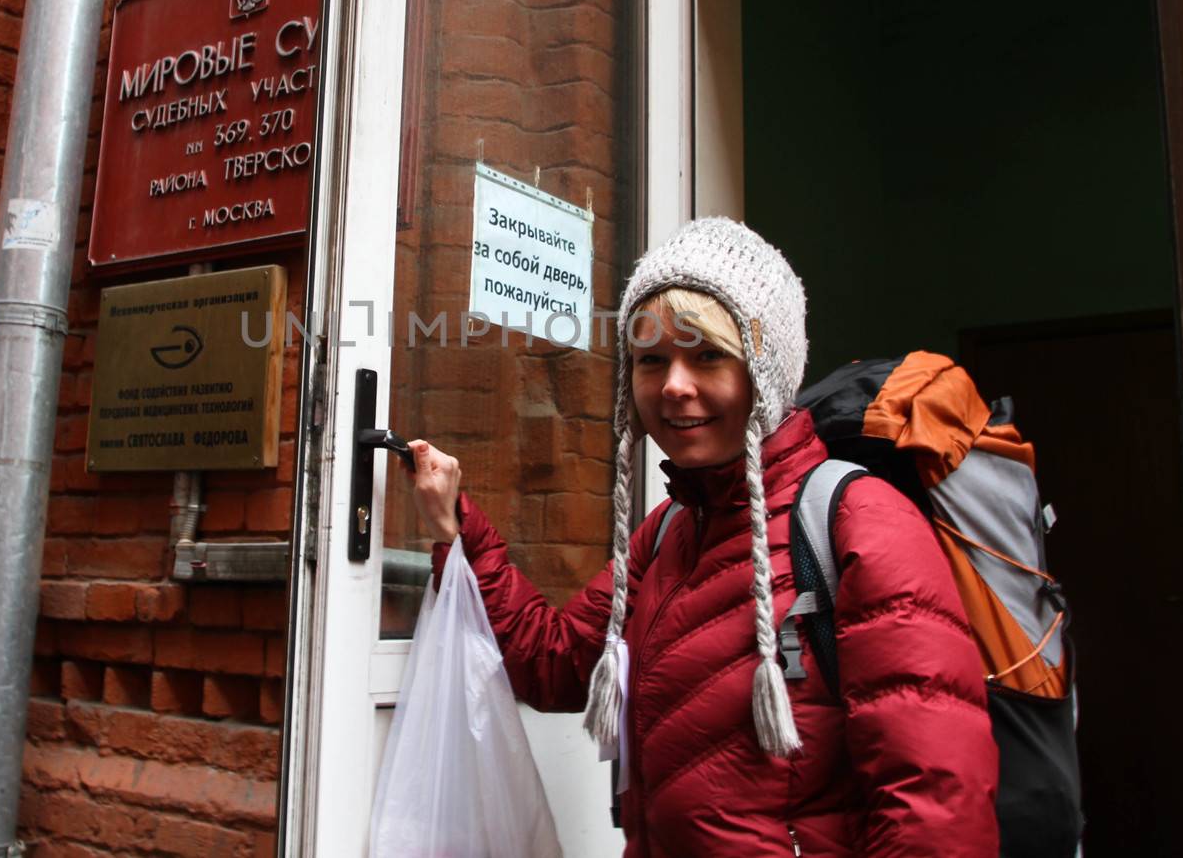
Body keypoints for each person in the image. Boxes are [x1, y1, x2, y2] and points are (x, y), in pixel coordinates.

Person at [406, 217, 1000, 857]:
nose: (674, 386)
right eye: (651, 360)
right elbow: (554, 663)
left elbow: (935, 810)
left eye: (709, 354)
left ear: (764, 372)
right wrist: (458, 529)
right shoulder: (665, 537)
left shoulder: (859, 523)